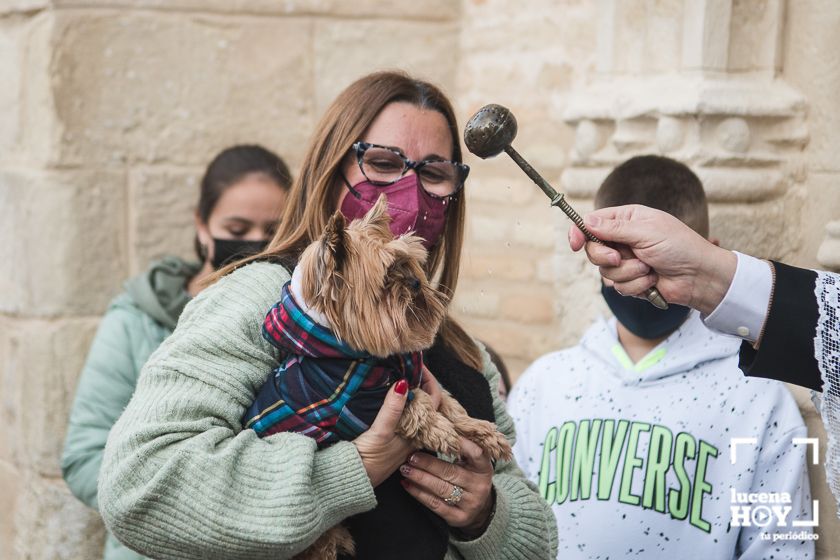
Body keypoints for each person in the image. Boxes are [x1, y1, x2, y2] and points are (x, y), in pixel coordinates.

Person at [97, 71, 557, 560]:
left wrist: (484, 514)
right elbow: (140, 482)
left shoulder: (463, 351)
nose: (408, 192)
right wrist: (352, 469)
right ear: (328, 171)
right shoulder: (258, 300)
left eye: (434, 173)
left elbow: (538, 541)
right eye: (381, 163)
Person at [509, 156, 813, 558]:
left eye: (653, 261)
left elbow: (782, 549)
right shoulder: (543, 385)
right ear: (596, 254)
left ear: (707, 252)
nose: (638, 279)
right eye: (621, 257)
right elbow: (506, 529)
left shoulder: (758, 400)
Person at [61, 145, 292, 560]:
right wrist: (183, 502)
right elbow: (84, 455)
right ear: (202, 226)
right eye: (237, 231)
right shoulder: (137, 319)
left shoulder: (299, 327)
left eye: (273, 231)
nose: (256, 245)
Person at [568, 199, 840, 519]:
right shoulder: (548, 381)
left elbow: (780, 541)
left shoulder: (760, 399)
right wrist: (707, 275)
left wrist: (706, 274)